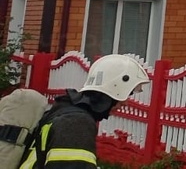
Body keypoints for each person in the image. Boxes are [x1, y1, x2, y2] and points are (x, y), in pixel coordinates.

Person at [19, 54, 150, 169]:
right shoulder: (76, 124)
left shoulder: (66, 111)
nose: (126, 102)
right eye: (128, 93)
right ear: (114, 87)